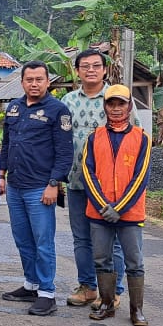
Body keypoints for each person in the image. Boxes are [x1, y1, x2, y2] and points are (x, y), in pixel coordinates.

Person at [0, 62, 74, 317]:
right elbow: (6, 144)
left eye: (39, 79)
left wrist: (54, 183)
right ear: (22, 82)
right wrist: (0, 174)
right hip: (15, 186)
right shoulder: (13, 107)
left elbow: (65, 153)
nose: (34, 83)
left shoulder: (58, 111)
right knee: (23, 240)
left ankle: (47, 293)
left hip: (40, 188)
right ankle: (31, 284)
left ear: (47, 82)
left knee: (43, 242)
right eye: (29, 79)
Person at [80, 85, 151, 326]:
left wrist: (119, 208)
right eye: (112, 104)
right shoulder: (94, 137)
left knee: (134, 261)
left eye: (121, 104)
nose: (116, 108)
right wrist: (103, 205)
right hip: (99, 213)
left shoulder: (142, 138)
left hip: (129, 213)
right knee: (101, 258)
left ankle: (136, 310)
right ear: (105, 107)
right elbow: (88, 173)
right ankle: (107, 304)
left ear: (129, 106)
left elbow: (140, 177)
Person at [62, 49, 127, 308]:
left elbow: (130, 139)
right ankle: (87, 286)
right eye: (85, 66)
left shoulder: (115, 98)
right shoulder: (67, 101)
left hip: (108, 185)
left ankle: (114, 290)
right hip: (76, 181)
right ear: (77, 71)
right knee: (82, 238)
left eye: (96, 65)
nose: (91, 70)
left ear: (104, 69)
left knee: (113, 240)